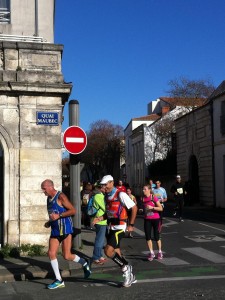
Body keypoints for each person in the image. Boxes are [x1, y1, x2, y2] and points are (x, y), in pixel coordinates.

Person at [41, 179, 91, 289]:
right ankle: (59, 280)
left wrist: (59, 216)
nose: (43, 191)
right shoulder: (48, 199)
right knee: (51, 253)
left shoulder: (61, 197)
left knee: (66, 255)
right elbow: (53, 214)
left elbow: (73, 210)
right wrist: (49, 222)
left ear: (50, 187)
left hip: (65, 230)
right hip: (55, 230)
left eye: (44, 189)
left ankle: (84, 263)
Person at [93, 175, 138, 287]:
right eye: (103, 185)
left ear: (112, 182)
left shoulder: (121, 194)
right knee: (117, 253)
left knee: (108, 251)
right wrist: (100, 218)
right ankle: (129, 273)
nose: (104, 187)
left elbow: (134, 208)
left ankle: (126, 268)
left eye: (106, 184)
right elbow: (109, 213)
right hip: (111, 227)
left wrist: (131, 225)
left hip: (120, 227)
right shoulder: (106, 196)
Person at [142, 184, 163, 261]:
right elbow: (144, 209)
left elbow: (161, 208)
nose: (143, 190)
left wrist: (152, 207)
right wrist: (142, 210)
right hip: (147, 219)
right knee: (148, 236)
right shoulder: (143, 199)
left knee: (156, 236)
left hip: (155, 219)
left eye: (145, 189)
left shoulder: (153, 197)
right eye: (143, 189)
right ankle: (151, 252)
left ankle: (160, 252)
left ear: (149, 190)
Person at [91, 181, 107, 265]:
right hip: (100, 221)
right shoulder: (98, 196)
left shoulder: (100, 195)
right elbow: (105, 208)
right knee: (99, 240)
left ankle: (99, 255)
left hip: (102, 220)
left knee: (101, 240)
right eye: (105, 187)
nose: (106, 189)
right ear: (101, 188)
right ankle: (96, 257)